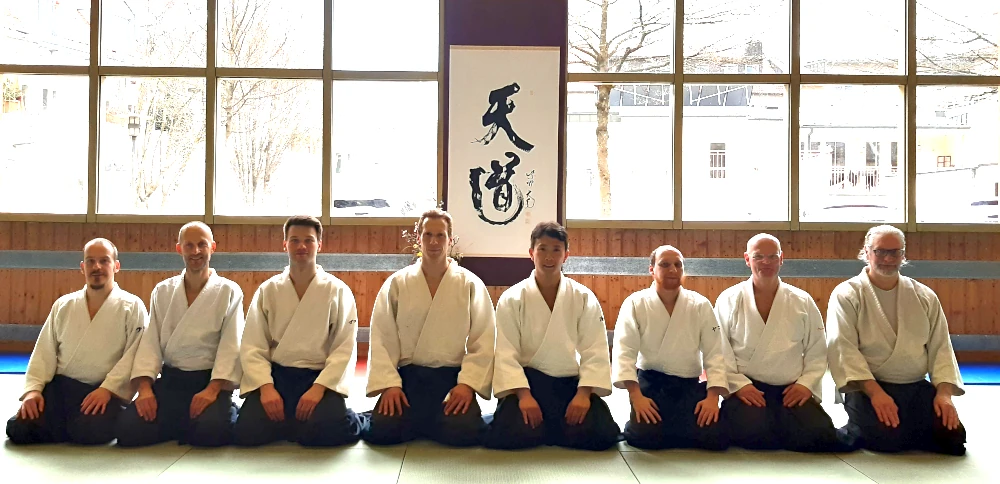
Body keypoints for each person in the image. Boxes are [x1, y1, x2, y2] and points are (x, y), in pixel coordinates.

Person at [827, 225, 966, 455]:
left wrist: (944, 395)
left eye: (895, 252)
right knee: (887, 441)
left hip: (914, 386)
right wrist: (876, 393)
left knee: (953, 439)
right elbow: (843, 348)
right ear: (866, 252)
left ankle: (902, 429)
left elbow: (941, 347)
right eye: (880, 251)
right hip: (867, 387)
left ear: (903, 255)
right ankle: (860, 427)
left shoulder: (924, 295)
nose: (888, 258)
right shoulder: (847, 294)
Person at [363, 209, 495, 447]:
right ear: (419, 238)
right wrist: (389, 384)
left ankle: (425, 422)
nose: (434, 242)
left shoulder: (469, 283)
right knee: (383, 431)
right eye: (428, 235)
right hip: (408, 378)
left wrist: (467, 385)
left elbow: (484, 339)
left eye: (440, 235)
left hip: (452, 380)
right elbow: (382, 336)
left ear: (450, 239)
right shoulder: (398, 283)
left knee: (463, 432)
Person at [484, 222, 620, 451]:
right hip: (527, 385)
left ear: (566, 255)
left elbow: (594, 349)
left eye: (556, 249)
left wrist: (583, 394)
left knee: (602, 435)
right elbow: (506, 352)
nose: (549, 256)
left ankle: (550, 427)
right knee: (508, 435)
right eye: (542, 249)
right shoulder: (512, 298)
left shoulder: (583, 297)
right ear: (531, 253)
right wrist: (523, 396)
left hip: (569, 386)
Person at [233, 215, 362, 447]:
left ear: (319, 245)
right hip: (277, 377)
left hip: (318, 377)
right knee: (246, 433)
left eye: (308, 240)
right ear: (285, 244)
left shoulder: (337, 290)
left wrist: (319, 389)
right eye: (294, 240)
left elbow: (344, 347)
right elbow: (253, 345)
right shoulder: (268, 290)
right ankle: (293, 422)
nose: (302, 246)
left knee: (329, 432)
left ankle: (347, 417)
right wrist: (266, 388)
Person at [6, 238, 147, 445]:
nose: (96, 267)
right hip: (62, 390)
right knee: (18, 428)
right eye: (90, 261)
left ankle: (61, 426)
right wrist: (33, 391)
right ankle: (64, 425)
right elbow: (44, 350)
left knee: (90, 431)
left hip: (103, 392)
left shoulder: (132, 306)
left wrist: (108, 389)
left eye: (104, 261)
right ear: (82, 267)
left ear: (116, 266)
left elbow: (135, 354)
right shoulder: (64, 305)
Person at [715, 233, 848, 452]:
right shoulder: (729, 299)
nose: (766, 262)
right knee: (752, 433)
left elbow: (817, 348)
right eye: (758, 257)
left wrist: (805, 385)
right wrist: (739, 385)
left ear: (781, 258)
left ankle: (783, 422)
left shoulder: (802, 300)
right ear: (747, 259)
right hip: (748, 388)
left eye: (772, 257)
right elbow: (719, 348)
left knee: (819, 434)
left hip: (791, 389)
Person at [115, 222, 244, 447]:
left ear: (213, 247)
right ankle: (185, 422)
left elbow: (231, 346)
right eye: (189, 245)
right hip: (171, 383)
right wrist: (144, 390)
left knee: (209, 433)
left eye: (202, 245)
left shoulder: (228, 291)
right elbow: (150, 343)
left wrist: (213, 390)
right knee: (127, 430)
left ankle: (225, 409)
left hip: (209, 382)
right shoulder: (163, 291)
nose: (196, 251)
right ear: (179, 249)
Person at [613, 245, 728, 450]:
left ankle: (674, 428)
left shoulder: (700, 304)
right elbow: (624, 352)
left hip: (688, 385)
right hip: (650, 384)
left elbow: (715, 352)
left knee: (715, 438)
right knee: (645, 437)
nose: (673, 270)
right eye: (665, 264)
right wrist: (636, 397)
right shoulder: (635, 303)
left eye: (678, 265)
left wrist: (712, 397)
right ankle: (643, 425)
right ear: (652, 270)